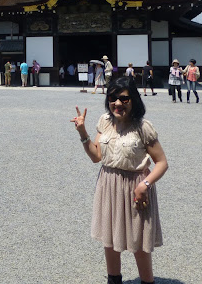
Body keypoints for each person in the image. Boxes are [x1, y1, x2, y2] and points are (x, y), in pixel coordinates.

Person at [71, 77, 168, 284]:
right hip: (108, 185)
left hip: (136, 187)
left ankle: (147, 281)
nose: (117, 104)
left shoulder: (143, 127)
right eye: (112, 98)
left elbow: (161, 163)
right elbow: (96, 156)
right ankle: (113, 280)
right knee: (109, 239)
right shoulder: (105, 121)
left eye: (123, 99)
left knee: (139, 241)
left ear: (133, 100)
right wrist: (83, 133)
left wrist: (145, 184)